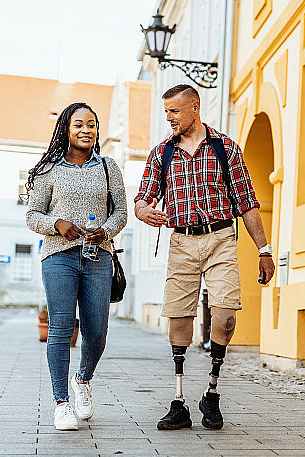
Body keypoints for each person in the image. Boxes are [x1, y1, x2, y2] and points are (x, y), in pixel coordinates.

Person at [135, 84, 276, 430]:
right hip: (182, 243)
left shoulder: (225, 148)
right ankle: (179, 400)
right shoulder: (161, 154)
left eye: (174, 111)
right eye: (165, 111)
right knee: (179, 318)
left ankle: (211, 393)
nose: (168, 118)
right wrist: (144, 211)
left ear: (194, 108)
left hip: (221, 238)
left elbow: (247, 202)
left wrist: (264, 249)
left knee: (225, 315)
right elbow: (143, 198)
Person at [26, 102, 127, 431]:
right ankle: (61, 403)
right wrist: (57, 224)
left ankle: (82, 379)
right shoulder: (48, 169)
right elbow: (32, 215)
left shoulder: (109, 167)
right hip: (59, 257)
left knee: (97, 332)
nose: (86, 130)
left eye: (92, 125)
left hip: (98, 256)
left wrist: (107, 231)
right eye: (79, 125)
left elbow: (121, 213)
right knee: (61, 327)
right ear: (66, 129)